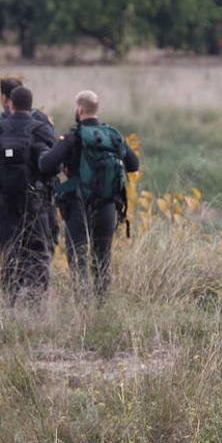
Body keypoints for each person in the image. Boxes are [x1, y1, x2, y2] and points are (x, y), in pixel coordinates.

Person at [38, 90, 140, 300]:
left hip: (78, 205)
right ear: (96, 109)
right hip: (108, 205)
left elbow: (46, 164)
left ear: (80, 109)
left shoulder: (73, 136)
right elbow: (134, 164)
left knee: (78, 258)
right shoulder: (113, 135)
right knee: (102, 259)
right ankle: (101, 305)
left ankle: (83, 308)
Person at [0, 85, 56, 304]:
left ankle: (10, 299)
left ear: (10, 104)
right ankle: (37, 301)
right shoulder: (42, 128)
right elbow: (53, 163)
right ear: (31, 106)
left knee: (9, 248)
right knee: (38, 249)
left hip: (6, 199)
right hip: (36, 199)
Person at [0, 77, 59, 253]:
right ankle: (38, 280)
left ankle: (12, 280)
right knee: (40, 248)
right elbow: (54, 158)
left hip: (6, 195)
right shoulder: (42, 121)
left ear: (6, 99)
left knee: (9, 248)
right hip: (38, 194)